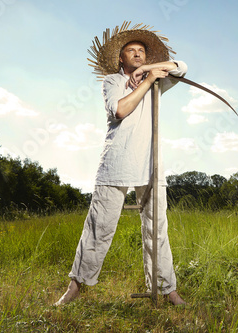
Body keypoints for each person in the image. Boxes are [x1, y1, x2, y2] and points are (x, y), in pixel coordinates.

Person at [54, 22, 187, 306]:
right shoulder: (113, 82)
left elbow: (182, 66)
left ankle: (168, 290)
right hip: (116, 162)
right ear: (120, 58)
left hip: (151, 165)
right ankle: (75, 287)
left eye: (142, 51)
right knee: (98, 228)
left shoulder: (157, 80)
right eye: (131, 51)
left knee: (157, 230)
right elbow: (121, 110)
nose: (137, 54)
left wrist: (147, 73)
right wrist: (148, 80)